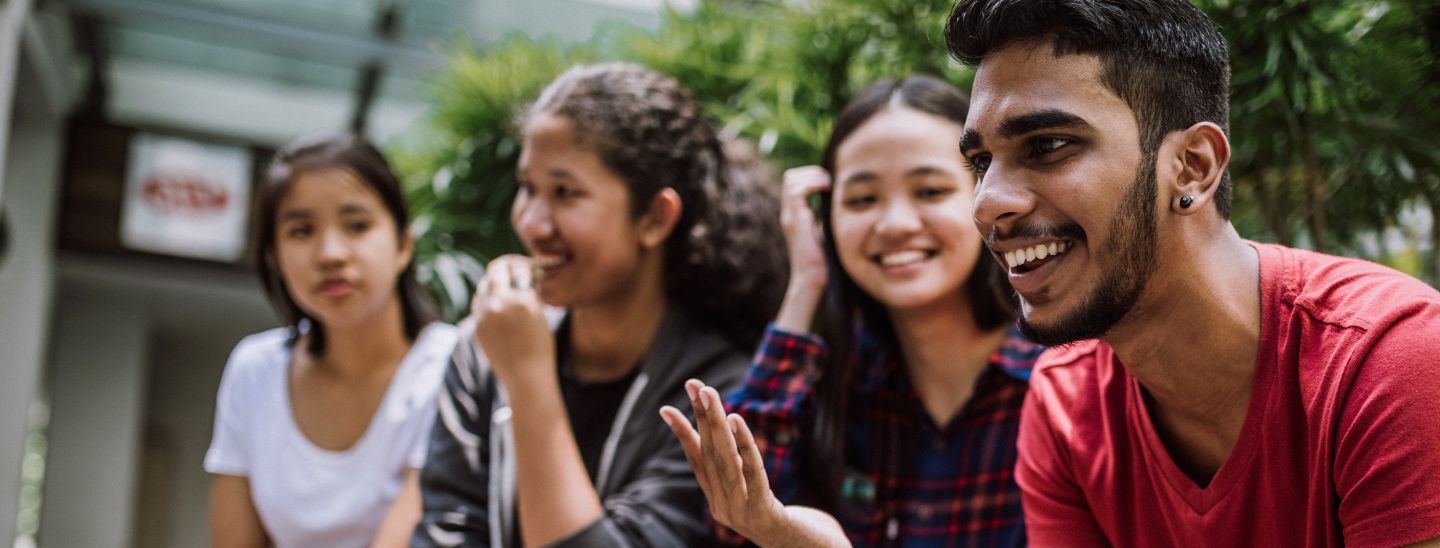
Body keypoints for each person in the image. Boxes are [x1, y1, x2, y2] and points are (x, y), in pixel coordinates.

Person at [941, 1, 1440, 546]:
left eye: (1047, 146)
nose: (986, 204)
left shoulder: (1391, 363)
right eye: (982, 163)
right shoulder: (1066, 404)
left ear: (1193, 166)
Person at [412, 63, 789, 547]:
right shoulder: (482, 350)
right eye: (528, 188)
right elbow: (445, 532)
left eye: (565, 193)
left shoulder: (716, 395)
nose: (532, 223)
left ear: (655, 217)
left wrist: (528, 379)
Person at [662, 75, 1044, 547]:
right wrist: (806, 284)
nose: (896, 224)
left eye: (930, 191)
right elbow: (737, 522)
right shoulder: (836, 382)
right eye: (863, 199)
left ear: (985, 196)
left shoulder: (1060, 380)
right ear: (829, 219)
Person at [205, 134, 459, 548]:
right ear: (274, 256)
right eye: (301, 231)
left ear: (403, 244)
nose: (330, 254)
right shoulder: (254, 370)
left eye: (357, 225)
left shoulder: (454, 365)